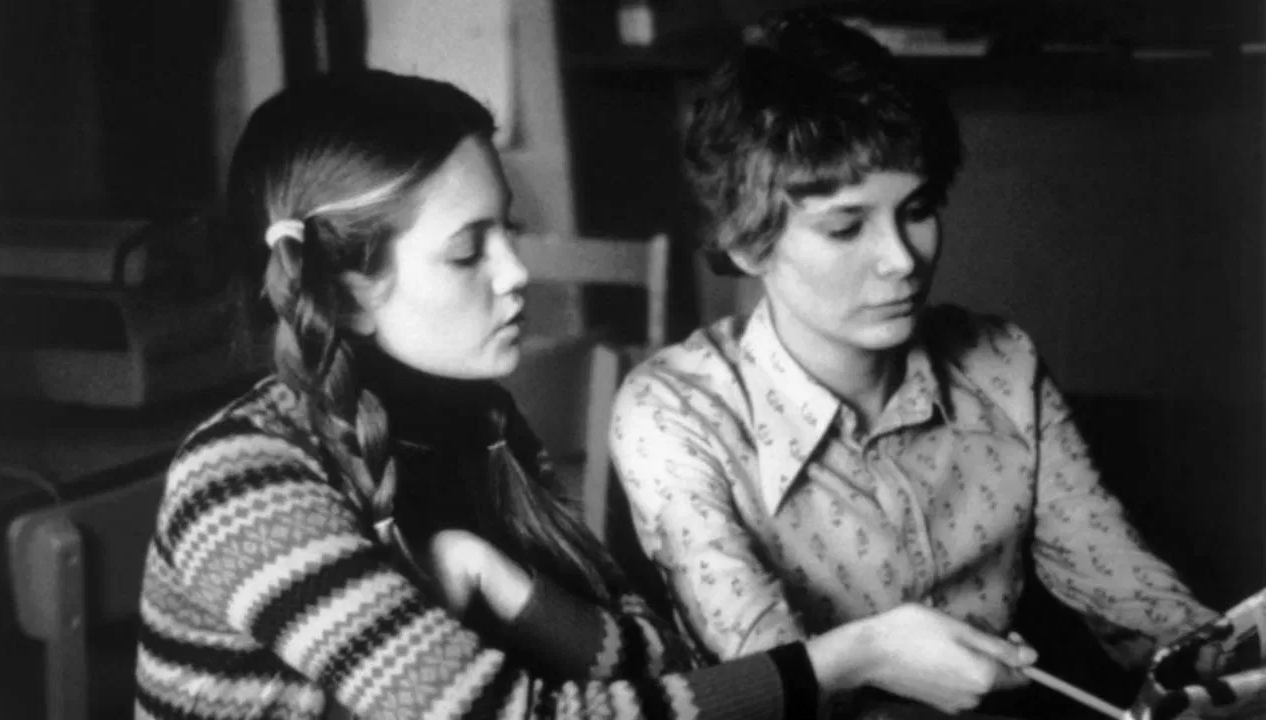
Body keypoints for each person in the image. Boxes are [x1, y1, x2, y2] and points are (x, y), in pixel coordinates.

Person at [132, 70, 1038, 720]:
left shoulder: (473, 422)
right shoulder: (246, 481)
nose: (516, 272)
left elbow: (649, 652)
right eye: (468, 250)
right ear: (342, 293)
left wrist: (494, 579)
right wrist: (854, 656)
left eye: (509, 232)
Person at [608, 7, 1219, 716]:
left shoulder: (1001, 364)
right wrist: (872, 653)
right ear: (747, 244)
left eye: (919, 209)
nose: (902, 259)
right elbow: (764, 669)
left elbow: (1119, 582)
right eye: (846, 227)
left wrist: (1224, 664)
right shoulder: (674, 414)